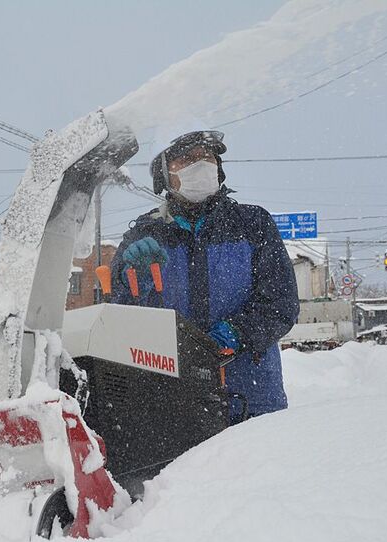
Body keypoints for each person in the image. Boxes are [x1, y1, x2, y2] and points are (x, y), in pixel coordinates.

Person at [109, 130, 299, 423]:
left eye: (207, 156)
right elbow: (117, 317)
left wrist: (237, 332)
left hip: (252, 402)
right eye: (187, 158)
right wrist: (132, 283)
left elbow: (281, 304)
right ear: (164, 175)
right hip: (170, 404)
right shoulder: (144, 234)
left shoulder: (252, 225)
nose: (201, 164)